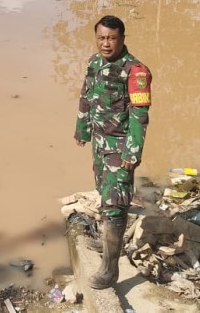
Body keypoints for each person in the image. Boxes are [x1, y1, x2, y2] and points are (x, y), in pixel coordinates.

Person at [74, 14, 152, 290]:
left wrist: (133, 152)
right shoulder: (94, 62)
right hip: (99, 143)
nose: (105, 44)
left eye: (111, 38)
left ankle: (110, 270)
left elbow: (139, 115)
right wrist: (82, 129)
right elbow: (86, 95)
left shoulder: (136, 71)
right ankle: (108, 244)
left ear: (122, 39)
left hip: (119, 146)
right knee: (103, 193)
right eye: (101, 37)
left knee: (116, 204)